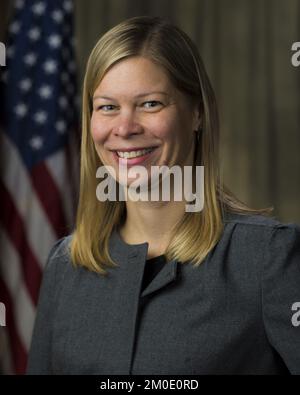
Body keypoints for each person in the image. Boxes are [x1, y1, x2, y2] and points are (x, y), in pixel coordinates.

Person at [27, 16, 300, 375]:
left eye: (151, 104)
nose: (125, 128)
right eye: (108, 106)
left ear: (197, 113)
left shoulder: (269, 258)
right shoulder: (66, 266)